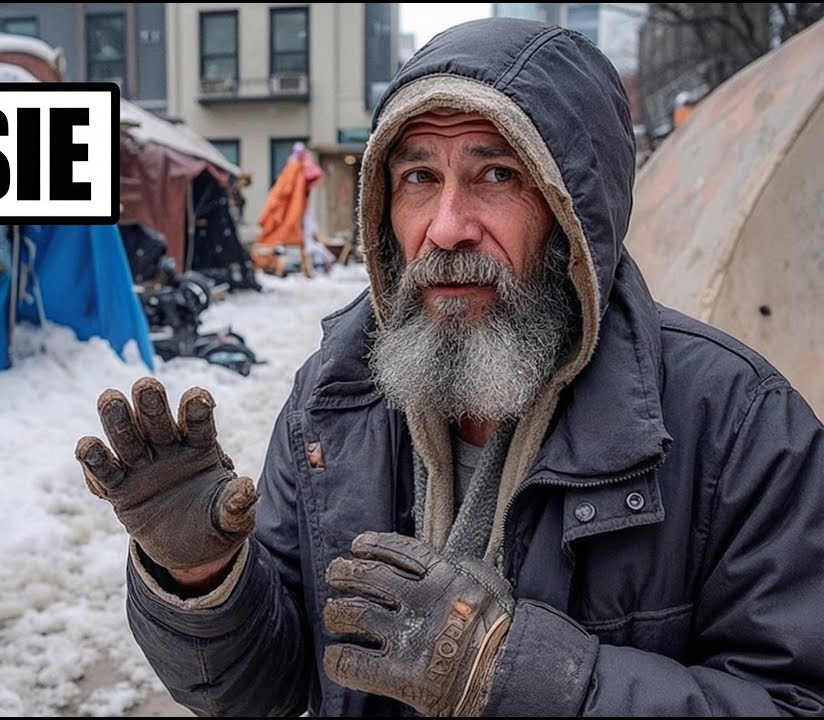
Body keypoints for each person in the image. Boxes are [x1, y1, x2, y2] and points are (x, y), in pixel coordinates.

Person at [74, 17, 824, 717]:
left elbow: (797, 697)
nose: (446, 226)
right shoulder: (332, 401)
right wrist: (202, 582)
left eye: (497, 174)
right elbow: (266, 684)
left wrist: (515, 671)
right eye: (419, 178)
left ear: (577, 212)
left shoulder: (734, 422)